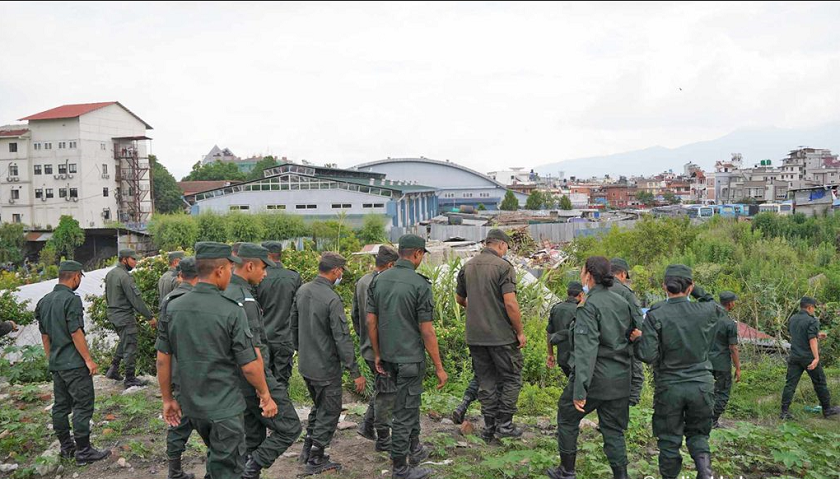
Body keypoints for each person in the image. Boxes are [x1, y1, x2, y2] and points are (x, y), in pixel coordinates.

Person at [156, 242, 278, 479]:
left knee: (217, 456)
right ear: (220, 271)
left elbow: (163, 359)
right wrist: (265, 395)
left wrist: (168, 399)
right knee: (229, 467)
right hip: (224, 408)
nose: (231, 275)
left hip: (193, 406)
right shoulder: (231, 310)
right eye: (231, 270)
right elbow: (250, 364)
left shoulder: (173, 307)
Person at [547, 257, 639, 479]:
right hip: (620, 378)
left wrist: (580, 391)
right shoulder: (622, 301)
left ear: (588, 275)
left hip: (597, 378)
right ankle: (621, 475)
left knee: (567, 416)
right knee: (614, 431)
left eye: (581, 272)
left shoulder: (588, 306)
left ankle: (567, 470)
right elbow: (635, 336)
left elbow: (586, 351)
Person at [367, 234, 447, 479]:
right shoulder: (420, 284)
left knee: (405, 406)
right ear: (417, 254)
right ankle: (401, 467)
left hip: (388, 357)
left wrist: (378, 353)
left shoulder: (378, 280)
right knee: (405, 411)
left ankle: (415, 448)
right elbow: (427, 330)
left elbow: (371, 320)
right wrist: (439, 367)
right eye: (422, 256)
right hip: (410, 359)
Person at [223, 243, 302, 479]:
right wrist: (264, 392)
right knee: (290, 426)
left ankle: (248, 467)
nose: (265, 273)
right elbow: (253, 352)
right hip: (253, 377)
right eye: (263, 268)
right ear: (249, 265)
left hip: (233, 379)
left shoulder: (225, 292)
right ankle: (253, 467)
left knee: (252, 435)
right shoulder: (244, 301)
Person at [636, 264, 721, 479]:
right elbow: (712, 301)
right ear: (691, 286)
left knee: (669, 441)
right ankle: (705, 473)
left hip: (669, 387)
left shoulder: (656, 314)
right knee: (699, 435)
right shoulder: (706, 311)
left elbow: (646, 355)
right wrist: (696, 288)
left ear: (664, 286)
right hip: (701, 385)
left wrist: (639, 339)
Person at [292, 252, 366, 475]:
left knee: (319, 406)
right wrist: (355, 371)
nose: (341, 274)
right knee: (330, 410)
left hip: (306, 363)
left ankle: (307, 448)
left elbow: (293, 326)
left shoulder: (302, 291)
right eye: (341, 271)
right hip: (325, 367)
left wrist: (300, 349)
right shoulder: (331, 299)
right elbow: (341, 338)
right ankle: (316, 457)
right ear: (334, 271)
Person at [36, 261, 111, 465]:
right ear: (76, 276)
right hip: (74, 365)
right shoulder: (71, 300)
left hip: (57, 364)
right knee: (82, 406)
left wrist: (51, 358)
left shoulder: (44, 301)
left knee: (60, 407)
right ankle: (84, 451)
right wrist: (88, 359)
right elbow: (75, 331)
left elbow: (45, 336)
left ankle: (67, 447)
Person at [456, 228, 525, 441]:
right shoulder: (504, 267)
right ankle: (505, 424)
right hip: (500, 335)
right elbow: (511, 303)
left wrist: (476, 310)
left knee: (486, 380)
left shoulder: (467, 266)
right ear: (501, 245)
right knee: (512, 376)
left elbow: (460, 299)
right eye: (506, 247)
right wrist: (520, 332)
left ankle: (489, 427)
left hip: (476, 336)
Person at [352, 245, 399, 450]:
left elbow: (355, 315)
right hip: (382, 349)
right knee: (387, 392)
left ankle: (367, 426)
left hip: (368, 347)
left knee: (383, 387)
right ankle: (383, 439)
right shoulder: (385, 284)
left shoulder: (362, 281)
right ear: (390, 265)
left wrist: (363, 337)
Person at [157, 257, 199, 479]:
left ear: (180, 274)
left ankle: (174, 471)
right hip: (202, 372)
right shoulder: (203, 300)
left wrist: (166, 395)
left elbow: (163, 352)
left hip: (177, 373)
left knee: (177, 420)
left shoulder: (168, 301)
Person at [780, 297, 840, 420]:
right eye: (813, 308)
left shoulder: (793, 319)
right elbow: (811, 340)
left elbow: (799, 334)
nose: (814, 310)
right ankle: (827, 409)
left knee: (790, 384)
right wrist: (816, 358)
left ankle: (784, 412)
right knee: (820, 382)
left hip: (795, 356)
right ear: (809, 307)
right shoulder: (812, 320)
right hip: (808, 358)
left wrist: (817, 335)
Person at [104, 249, 156, 388]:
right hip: (124, 316)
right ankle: (130, 378)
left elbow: (107, 296)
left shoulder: (111, 273)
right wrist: (149, 317)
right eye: (133, 259)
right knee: (130, 345)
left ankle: (113, 369)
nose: (136, 262)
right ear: (124, 259)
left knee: (124, 341)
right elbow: (136, 299)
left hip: (113, 315)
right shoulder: (125, 277)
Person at [255, 241, 302, 386]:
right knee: (281, 383)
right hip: (285, 337)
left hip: (262, 338)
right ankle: (280, 408)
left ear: (267, 256)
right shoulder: (293, 277)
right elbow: (298, 309)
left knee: (263, 381)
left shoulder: (258, 278)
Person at [609, 258, 645, 406]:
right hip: (625, 344)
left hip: (600, 345)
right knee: (636, 375)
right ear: (623, 274)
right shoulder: (626, 293)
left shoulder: (594, 290)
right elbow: (638, 321)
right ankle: (631, 408)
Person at [710, 291, 741, 428]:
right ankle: (713, 420)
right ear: (730, 303)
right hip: (722, 363)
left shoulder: (709, 320)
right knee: (722, 392)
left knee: (704, 390)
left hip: (705, 361)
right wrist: (738, 367)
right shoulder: (730, 324)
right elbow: (733, 348)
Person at [546, 281, 585, 378]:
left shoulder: (556, 308)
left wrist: (550, 354)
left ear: (567, 293)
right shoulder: (580, 311)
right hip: (578, 359)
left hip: (562, 359)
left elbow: (549, 332)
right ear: (581, 295)